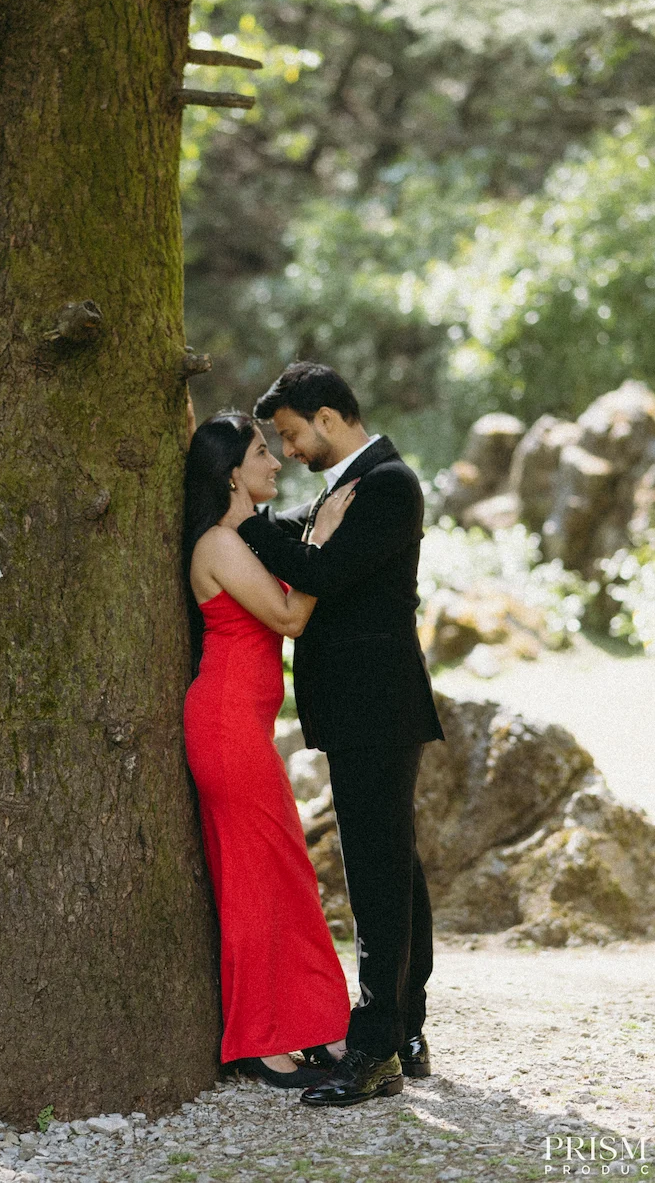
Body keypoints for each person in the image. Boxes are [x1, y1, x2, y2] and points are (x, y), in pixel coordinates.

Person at [236, 362, 445, 1108]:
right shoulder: (346, 487)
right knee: (397, 864)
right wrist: (266, 527)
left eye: (291, 434)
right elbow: (305, 538)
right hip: (366, 707)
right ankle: (409, 1025)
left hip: (377, 705)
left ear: (327, 416)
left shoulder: (387, 484)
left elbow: (320, 567)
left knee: (377, 871)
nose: (288, 451)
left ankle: (376, 1045)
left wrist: (239, 522)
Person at [183, 411, 356, 1089]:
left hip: (241, 727)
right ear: (231, 471)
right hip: (225, 726)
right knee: (262, 878)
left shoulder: (239, 541)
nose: (275, 462)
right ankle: (260, 1039)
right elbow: (288, 616)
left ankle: (306, 1027)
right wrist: (327, 541)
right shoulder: (221, 544)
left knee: (280, 874)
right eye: (262, 452)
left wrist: (314, 540)